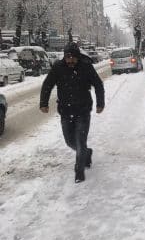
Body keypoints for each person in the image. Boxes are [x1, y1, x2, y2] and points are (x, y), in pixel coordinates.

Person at [39, 42, 105, 183]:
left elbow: (98, 84)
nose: (70, 61)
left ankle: (79, 170)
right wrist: (43, 103)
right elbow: (47, 84)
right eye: (67, 58)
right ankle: (86, 153)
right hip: (65, 110)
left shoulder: (86, 66)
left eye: (72, 58)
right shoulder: (58, 67)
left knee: (80, 141)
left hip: (83, 110)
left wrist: (100, 103)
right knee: (69, 141)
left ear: (77, 57)